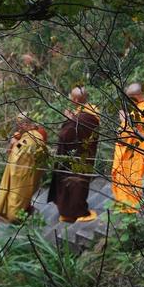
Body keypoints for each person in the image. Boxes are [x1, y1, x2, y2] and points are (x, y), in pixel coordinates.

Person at [48, 86, 100, 222]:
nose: (69, 98)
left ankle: (76, 213)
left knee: (76, 183)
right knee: (70, 182)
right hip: (78, 155)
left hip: (78, 157)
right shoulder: (88, 111)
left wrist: (68, 120)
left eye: (71, 96)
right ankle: (68, 211)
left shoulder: (86, 116)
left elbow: (66, 134)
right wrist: (71, 119)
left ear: (76, 100)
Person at [111, 83, 144, 213]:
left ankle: (131, 207)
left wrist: (124, 120)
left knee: (132, 177)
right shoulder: (137, 108)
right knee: (122, 176)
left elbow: (130, 130)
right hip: (127, 150)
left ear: (136, 96)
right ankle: (123, 205)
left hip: (137, 151)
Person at [0, 115, 48, 223]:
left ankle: (14, 217)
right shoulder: (36, 133)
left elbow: (19, 152)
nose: (18, 128)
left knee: (17, 193)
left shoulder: (31, 138)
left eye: (20, 125)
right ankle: (23, 210)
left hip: (22, 173)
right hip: (29, 171)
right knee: (23, 192)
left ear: (25, 124)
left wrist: (14, 144)